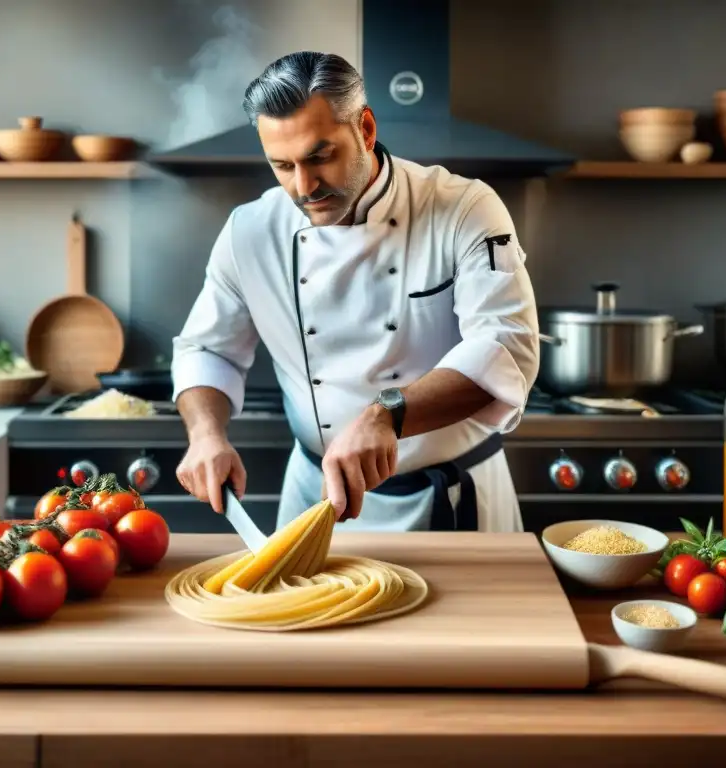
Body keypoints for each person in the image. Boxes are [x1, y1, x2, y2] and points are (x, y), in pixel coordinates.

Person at [171, 51, 540, 533]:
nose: (303, 187)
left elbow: (506, 349)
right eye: (281, 165)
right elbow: (206, 348)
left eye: (320, 157)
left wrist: (386, 415)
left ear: (365, 129)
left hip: (448, 500)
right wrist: (205, 434)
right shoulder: (250, 230)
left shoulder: (463, 208)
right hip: (314, 500)